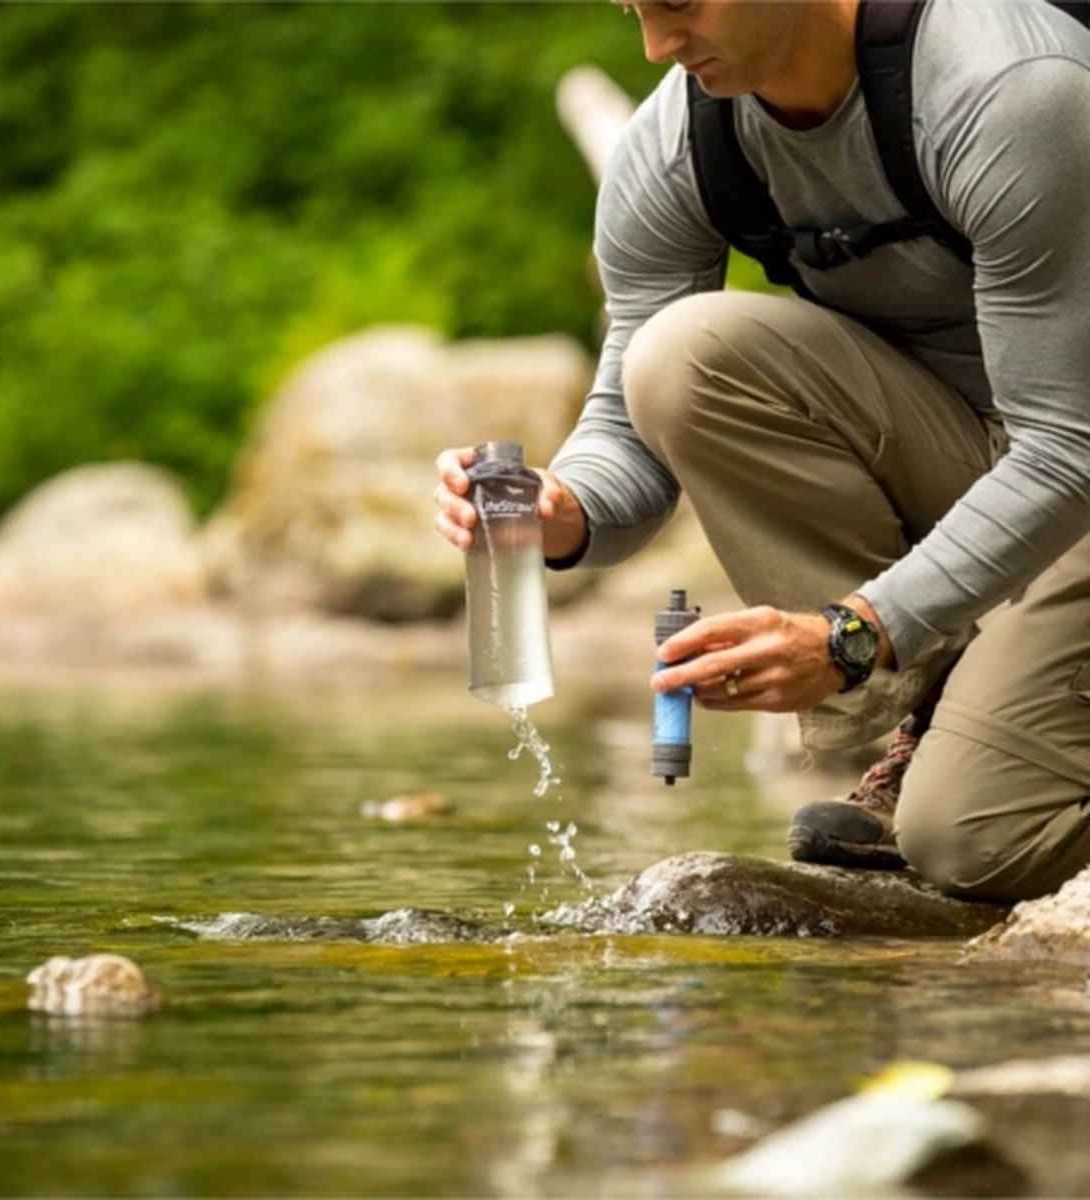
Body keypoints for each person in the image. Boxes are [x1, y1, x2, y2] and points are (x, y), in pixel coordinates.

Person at [434, 0, 1090, 903]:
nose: (657, 47)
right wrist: (564, 511)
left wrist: (853, 631)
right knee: (680, 354)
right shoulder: (678, 144)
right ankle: (938, 712)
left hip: (1074, 457)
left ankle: (974, 744)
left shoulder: (1009, 92)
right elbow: (630, 426)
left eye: (678, 6)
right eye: (636, 10)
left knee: (971, 846)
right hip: (1000, 466)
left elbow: (1066, 449)